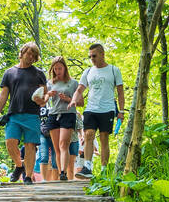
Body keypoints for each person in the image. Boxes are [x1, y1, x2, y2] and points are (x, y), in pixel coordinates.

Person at [0, 42, 46, 183]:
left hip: (32, 115)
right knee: (10, 142)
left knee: (30, 145)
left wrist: (43, 100)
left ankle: (28, 176)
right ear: (22, 53)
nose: (30, 57)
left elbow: (44, 95)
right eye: (29, 53)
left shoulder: (39, 74)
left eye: (34, 55)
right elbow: (3, 94)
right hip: (14, 114)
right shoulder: (9, 73)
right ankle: (19, 165)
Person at [74, 43, 125, 174]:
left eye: (94, 56)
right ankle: (87, 167)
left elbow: (120, 92)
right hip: (91, 108)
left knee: (103, 138)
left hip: (107, 109)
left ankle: (103, 170)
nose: (92, 59)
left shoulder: (114, 70)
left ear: (102, 54)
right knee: (88, 135)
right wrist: (74, 99)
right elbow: (80, 89)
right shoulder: (88, 72)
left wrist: (121, 111)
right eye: (90, 56)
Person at [35, 56, 79, 182]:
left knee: (63, 144)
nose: (58, 71)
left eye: (60, 68)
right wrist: (48, 94)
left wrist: (69, 99)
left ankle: (64, 172)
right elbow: (44, 102)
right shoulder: (50, 83)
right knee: (57, 148)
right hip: (53, 115)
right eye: (55, 69)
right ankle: (61, 174)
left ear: (65, 68)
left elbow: (80, 102)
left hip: (68, 114)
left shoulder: (73, 83)